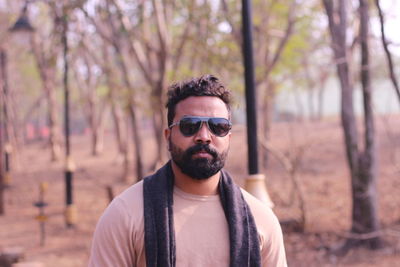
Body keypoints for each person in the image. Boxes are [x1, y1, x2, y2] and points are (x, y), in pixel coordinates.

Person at [88, 75, 287, 267]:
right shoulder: (125, 214)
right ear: (168, 136)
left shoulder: (260, 219)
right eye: (189, 125)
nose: (204, 136)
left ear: (229, 138)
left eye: (218, 127)